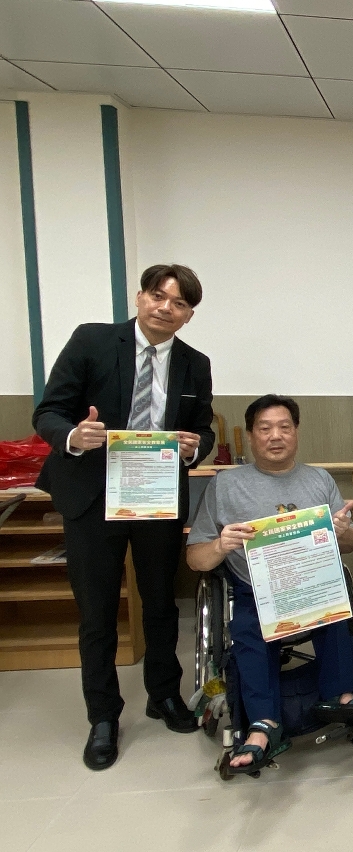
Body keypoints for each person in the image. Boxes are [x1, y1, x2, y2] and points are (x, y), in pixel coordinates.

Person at [32, 264, 215, 771]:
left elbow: (202, 429)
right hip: (92, 496)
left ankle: (164, 694)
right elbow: (48, 412)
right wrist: (73, 436)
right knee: (97, 613)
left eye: (179, 303)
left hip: (155, 496)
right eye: (158, 296)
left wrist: (194, 448)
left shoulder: (195, 363)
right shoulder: (91, 340)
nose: (165, 308)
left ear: (188, 315)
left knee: (160, 603)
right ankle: (103, 717)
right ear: (139, 297)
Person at [186, 395, 353, 773]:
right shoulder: (226, 485)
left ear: (296, 432)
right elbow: (195, 559)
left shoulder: (319, 480)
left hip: (311, 580)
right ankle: (262, 726)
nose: (276, 436)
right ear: (251, 435)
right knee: (249, 628)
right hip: (256, 588)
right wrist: (221, 544)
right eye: (265, 428)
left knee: (335, 604)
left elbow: (349, 545)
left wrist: (343, 531)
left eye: (284, 427)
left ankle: (342, 696)